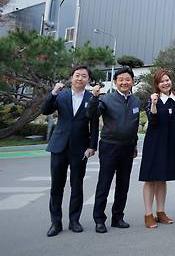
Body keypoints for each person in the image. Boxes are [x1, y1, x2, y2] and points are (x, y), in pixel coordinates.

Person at [41, 66, 98, 237]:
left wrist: (92, 146)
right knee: (56, 186)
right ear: (72, 77)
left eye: (84, 76)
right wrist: (53, 93)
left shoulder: (91, 98)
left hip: (80, 148)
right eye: (77, 75)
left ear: (88, 80)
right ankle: (55, 222)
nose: (80, 79)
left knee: (77, 185)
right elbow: (45, 110)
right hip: (59, 146)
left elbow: (94, 124)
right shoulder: (62, 95)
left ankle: (74, 220)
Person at [88, 67, 141, 233]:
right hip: (109, 146)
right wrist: (94, 98)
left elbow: (135, 124)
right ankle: (99, 219)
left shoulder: (136, 101)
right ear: (115, 82)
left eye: (127, 79)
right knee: (104, 183)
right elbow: (91, 114)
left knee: (123, 184)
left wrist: (134, 145)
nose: (124, 82)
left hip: (127, 147)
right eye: (121, 80)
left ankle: (118, 217)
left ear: (132, 81)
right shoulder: (106, 99)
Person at [138, 69, 175, 228]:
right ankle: (148, 214)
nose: (165, 83)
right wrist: (153, 104)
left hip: (172, 142)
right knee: (151, 178)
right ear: (157, 85)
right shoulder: (153, 99)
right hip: (155, 143)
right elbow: (152, 120)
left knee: (163, 178)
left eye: (167, 80)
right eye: (162, 81)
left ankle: (161, 212)